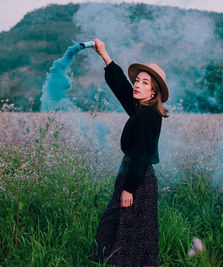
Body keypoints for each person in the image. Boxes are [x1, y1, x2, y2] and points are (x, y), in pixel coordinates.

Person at [88, 38, 169, 267]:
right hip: (135, 177)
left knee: (128, 233)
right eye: (137, 80)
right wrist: (104, 54)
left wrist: (128, 189)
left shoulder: (146, 116)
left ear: (153, 92)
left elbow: (141, 156)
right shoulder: (141, 109)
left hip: (137, 181)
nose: (137, 84)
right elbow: (122, 88)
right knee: (122, 229)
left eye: (144, 83)